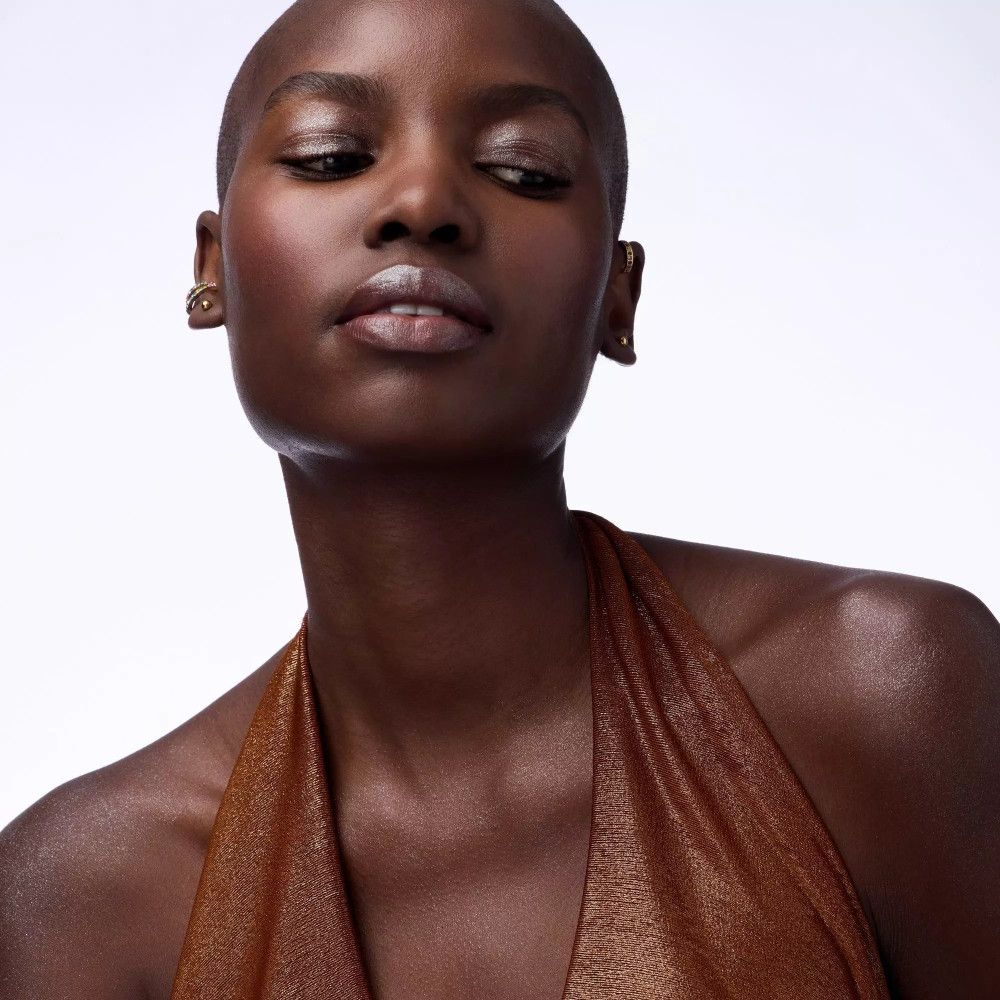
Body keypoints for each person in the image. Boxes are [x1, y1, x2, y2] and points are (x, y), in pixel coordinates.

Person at [2, 0, 998, 997]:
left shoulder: (880, 692)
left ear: (618, 295)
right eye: (329, 155)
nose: (423, 200)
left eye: (524, 169)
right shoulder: (87, 899)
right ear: (212, 269)